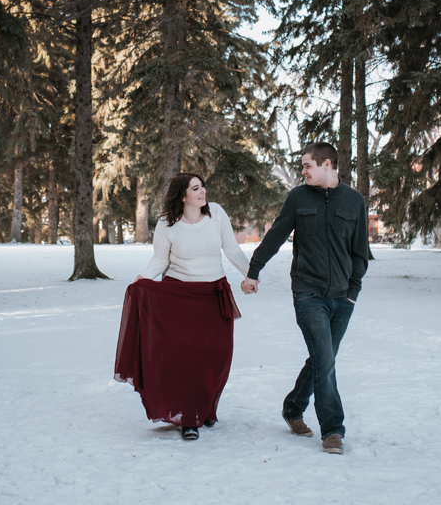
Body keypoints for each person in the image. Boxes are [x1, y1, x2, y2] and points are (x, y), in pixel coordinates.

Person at [240, 141, 368, 455]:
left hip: (342, 297)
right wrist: (253, 271)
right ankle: (333, 431)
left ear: (327, 165)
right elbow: (275, 236)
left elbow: (360, 252)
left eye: (308, 165)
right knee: (325, 361)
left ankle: (293, 407)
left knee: (322, 360)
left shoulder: (354, 201)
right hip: (307, 293)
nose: (303, 171)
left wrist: (352, 292)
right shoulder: (298, 197)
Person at [114, 173, 251, 441]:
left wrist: (251, 274)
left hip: (214, 294)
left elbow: (232, 250)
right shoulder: (167, 224)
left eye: (203, 187)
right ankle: (189, 417)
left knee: (217, 355)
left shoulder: (217, 214)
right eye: (196, 188)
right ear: (183, 195)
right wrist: (145, 278)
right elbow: (159, 259)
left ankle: (207, 407)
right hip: (180, 296)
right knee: (186, 360)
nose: (203, 192)